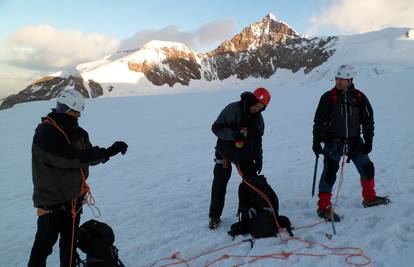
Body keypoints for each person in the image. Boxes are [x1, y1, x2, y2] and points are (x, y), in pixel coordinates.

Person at [28, 88, 128, 267]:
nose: (77, 116)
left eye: (78, 112)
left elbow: (87, 156)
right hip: (51, 204)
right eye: (75, 112)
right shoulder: (45, 133)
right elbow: (71, 158)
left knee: (70, 245)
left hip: (74, 201)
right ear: (65, 109)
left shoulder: (78, 132)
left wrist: (107, 153)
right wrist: (107, 151)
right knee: (42, 248)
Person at [312, 65, 389, 222]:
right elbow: (318, 122)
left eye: (342, 79)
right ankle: (323, 207)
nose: (338, 82)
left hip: (355, 142)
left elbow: (368, 121)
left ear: (350, 80)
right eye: (337, 79)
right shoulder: (328, 97)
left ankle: (369, 198)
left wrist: (369, 140)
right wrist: (316, 141)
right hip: (333, 142)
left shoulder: (359, 97)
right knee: (329, 173)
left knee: (367, 168)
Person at [208, 87, 271, 229]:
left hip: (244, 155)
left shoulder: (258, 119)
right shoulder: (233, 109)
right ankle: (214, 217)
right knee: (220, 183)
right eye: (256, 105)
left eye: (261, 107)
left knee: (252, 181)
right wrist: (234, 135)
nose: (257, 109)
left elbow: (257, 141)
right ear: (252, 100)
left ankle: (253, 211)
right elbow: (216, 128)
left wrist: (258, 157)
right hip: (225, 152)